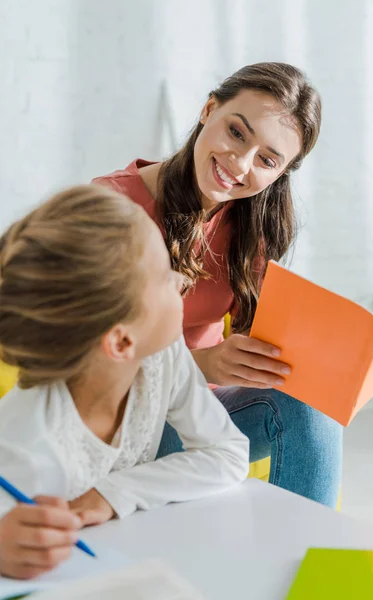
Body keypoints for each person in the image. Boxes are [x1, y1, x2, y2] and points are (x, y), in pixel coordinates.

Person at [93, 62, 343, 508]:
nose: (240, 164)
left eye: (267, 160)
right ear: (209, 109)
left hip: (200, 418)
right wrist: (203, 365)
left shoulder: (248, 222)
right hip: (121, 418)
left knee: (312, 409)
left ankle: (305, 565)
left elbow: (262, 341)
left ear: (280, 173)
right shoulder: (112, 207)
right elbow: (92, 359)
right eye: (237, 132)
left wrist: (359, 347)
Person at [0, 185, 249, 580]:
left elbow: (228, 454)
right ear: (121, 341)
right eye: (166, 277)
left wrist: (112, 494)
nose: (182, 280)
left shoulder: (162, 357)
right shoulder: (24, 442)